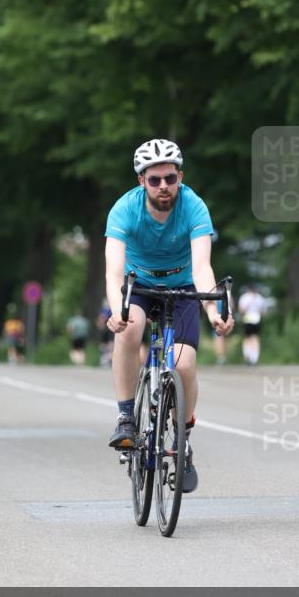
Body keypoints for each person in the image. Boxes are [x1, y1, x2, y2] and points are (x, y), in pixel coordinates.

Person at [104, 138, 234, 493]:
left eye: (170, 179)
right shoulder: (124, 210)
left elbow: (202, 266)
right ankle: (127, 417)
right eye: (155, 180)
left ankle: (182, 437)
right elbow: (113, 271)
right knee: (129, 330)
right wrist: (117, 311)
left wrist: (212, 311)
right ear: (141, 182)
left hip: (182, 285)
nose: (164, 186)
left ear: (180, 176)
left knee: (184, 364)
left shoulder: (193, 206)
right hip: (140, 284)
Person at [237, 283, 267, 365]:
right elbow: (264, 312)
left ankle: (247, 356)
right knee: (255, 337)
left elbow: (241, 310)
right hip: (256, 319)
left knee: (247, 338)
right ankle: (255, 357)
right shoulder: (260, 298)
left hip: (247, 319)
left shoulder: (244, 297)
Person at [213, 291, 235, 365]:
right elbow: (232, 306)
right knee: (223, 337)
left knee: (218, 337)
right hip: (225, 316)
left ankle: (220, 357)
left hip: (217, 316)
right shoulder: (228, 293)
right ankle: (223, 356)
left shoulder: (214, 293)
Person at [96, 299, 114, 367]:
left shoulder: (104, 310)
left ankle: (105, 359)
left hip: (106, 328)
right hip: (111, 328)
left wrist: (100, 325)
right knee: (110, 344)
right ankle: (108, 359)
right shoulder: (112, 309)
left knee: (104, 344)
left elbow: (102, 318)